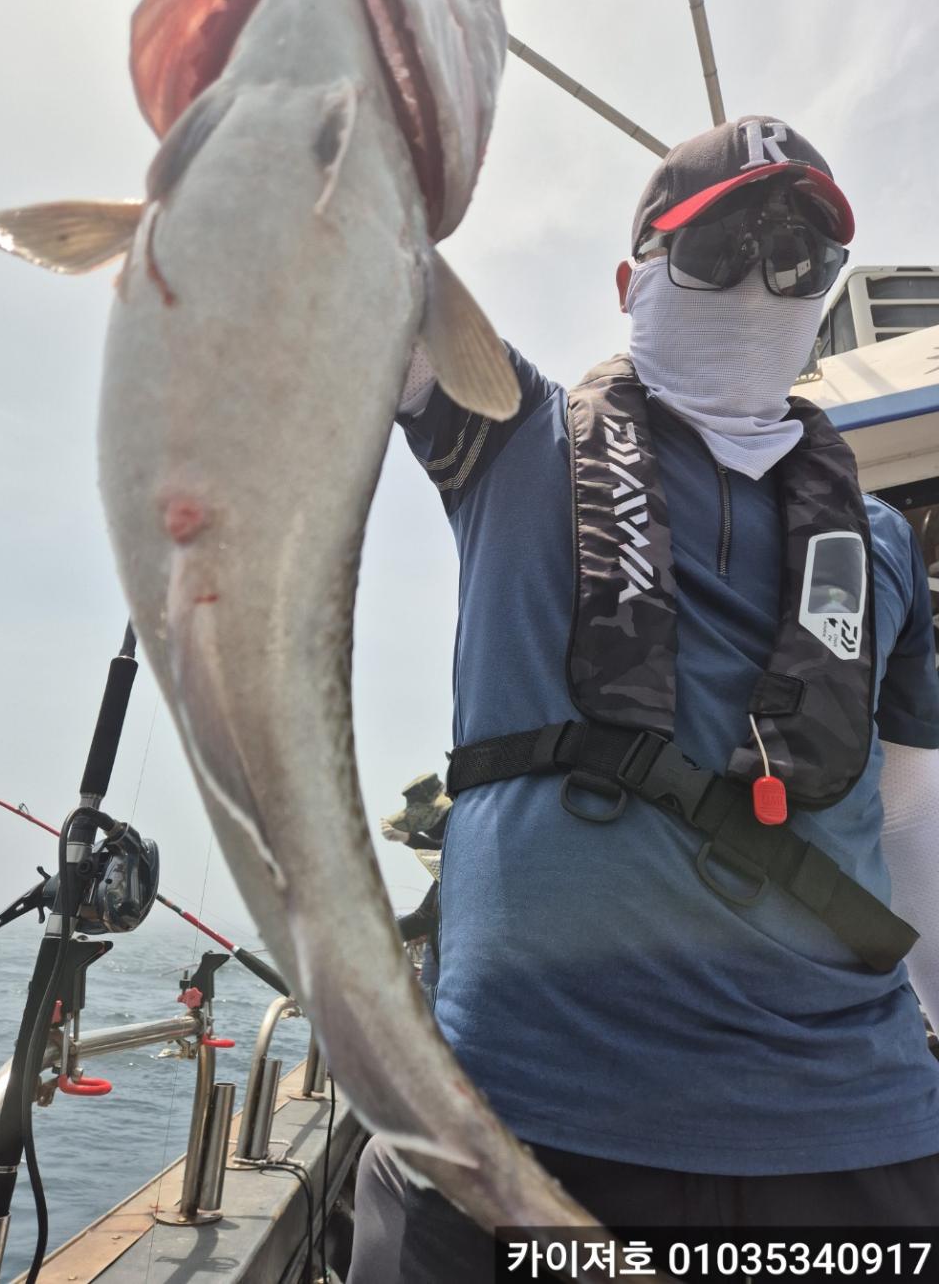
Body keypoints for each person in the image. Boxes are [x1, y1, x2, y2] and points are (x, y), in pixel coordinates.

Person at [392, 117, 939, 1279]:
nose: (758, 279)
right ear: (631, 279)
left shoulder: (885, 541)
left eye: (796, 255)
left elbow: (906, 817)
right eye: (717, 246)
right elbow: (366, 282)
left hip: (849, 1136)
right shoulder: (505, 435)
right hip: (524, 1124)